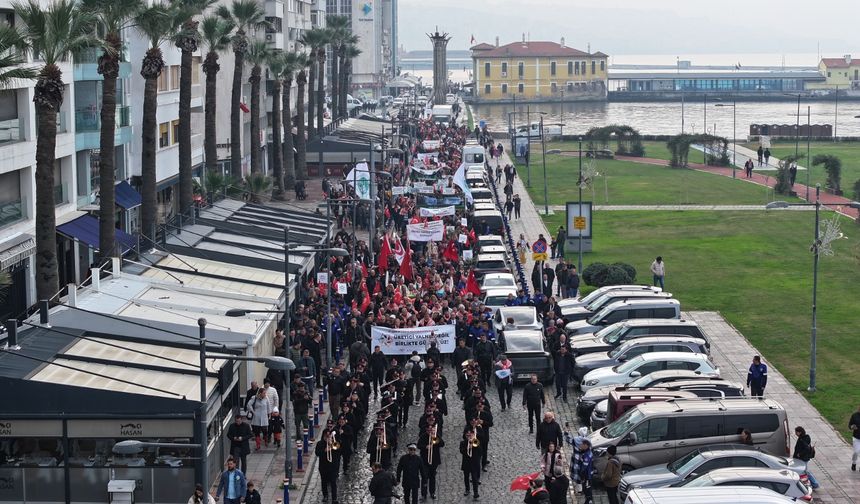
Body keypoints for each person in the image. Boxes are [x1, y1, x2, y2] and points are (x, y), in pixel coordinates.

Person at [315, 428, 341, 503]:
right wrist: (324, 450)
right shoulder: (320, 444)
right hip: (323, 467)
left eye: (329, 436)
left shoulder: (334, 443)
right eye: (327, 436)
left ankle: (334, 498)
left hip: (332, 467)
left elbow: (339, 452)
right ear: (323, 436)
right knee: (324, 482)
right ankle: (325, 495)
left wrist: (332, 446)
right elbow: (317, 453)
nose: (328, 437)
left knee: (333, 482)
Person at [419, 424, 444, 499]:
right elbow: (418, 445)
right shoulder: (423, 436)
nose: (430, 432)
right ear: (426, 430)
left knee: (432, 477)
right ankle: (424, 494)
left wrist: (435, 437)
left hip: (434, 460)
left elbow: (442, 444)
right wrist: (425, 447)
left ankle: (432, 492)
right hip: (425, 460)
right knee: (424, 477)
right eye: (429, 430)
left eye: (431, 430)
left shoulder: (436, 435)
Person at [460, 429, 482, 499]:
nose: (469, 436)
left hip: (474, 463)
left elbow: (481, 452)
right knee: (466, 477)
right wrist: (468, 448)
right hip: (466, 463)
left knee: (474, 478)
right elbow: (461, 451)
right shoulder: (463, 443)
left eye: (470, 435)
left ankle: (476, 492)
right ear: (465, 435)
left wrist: (475, 445)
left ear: (473, 435)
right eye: (467, 435)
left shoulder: (476, 442)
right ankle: (467, 489)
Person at [573, 438, 594, 504]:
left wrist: (581, 474)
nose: (580, 446)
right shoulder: (588, 452)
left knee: (587, 490)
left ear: (586, 445)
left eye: (582, 445)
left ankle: (589, 501)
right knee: (586, 489)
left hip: (587, 476)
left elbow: (584, 467)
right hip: (588, 474)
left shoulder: (586, 455)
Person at [850, 404, 860, 471]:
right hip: (856, 437)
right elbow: (850, 425)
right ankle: (854, 463)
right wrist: (852, 427)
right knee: (856, 452)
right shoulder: (855, 415)